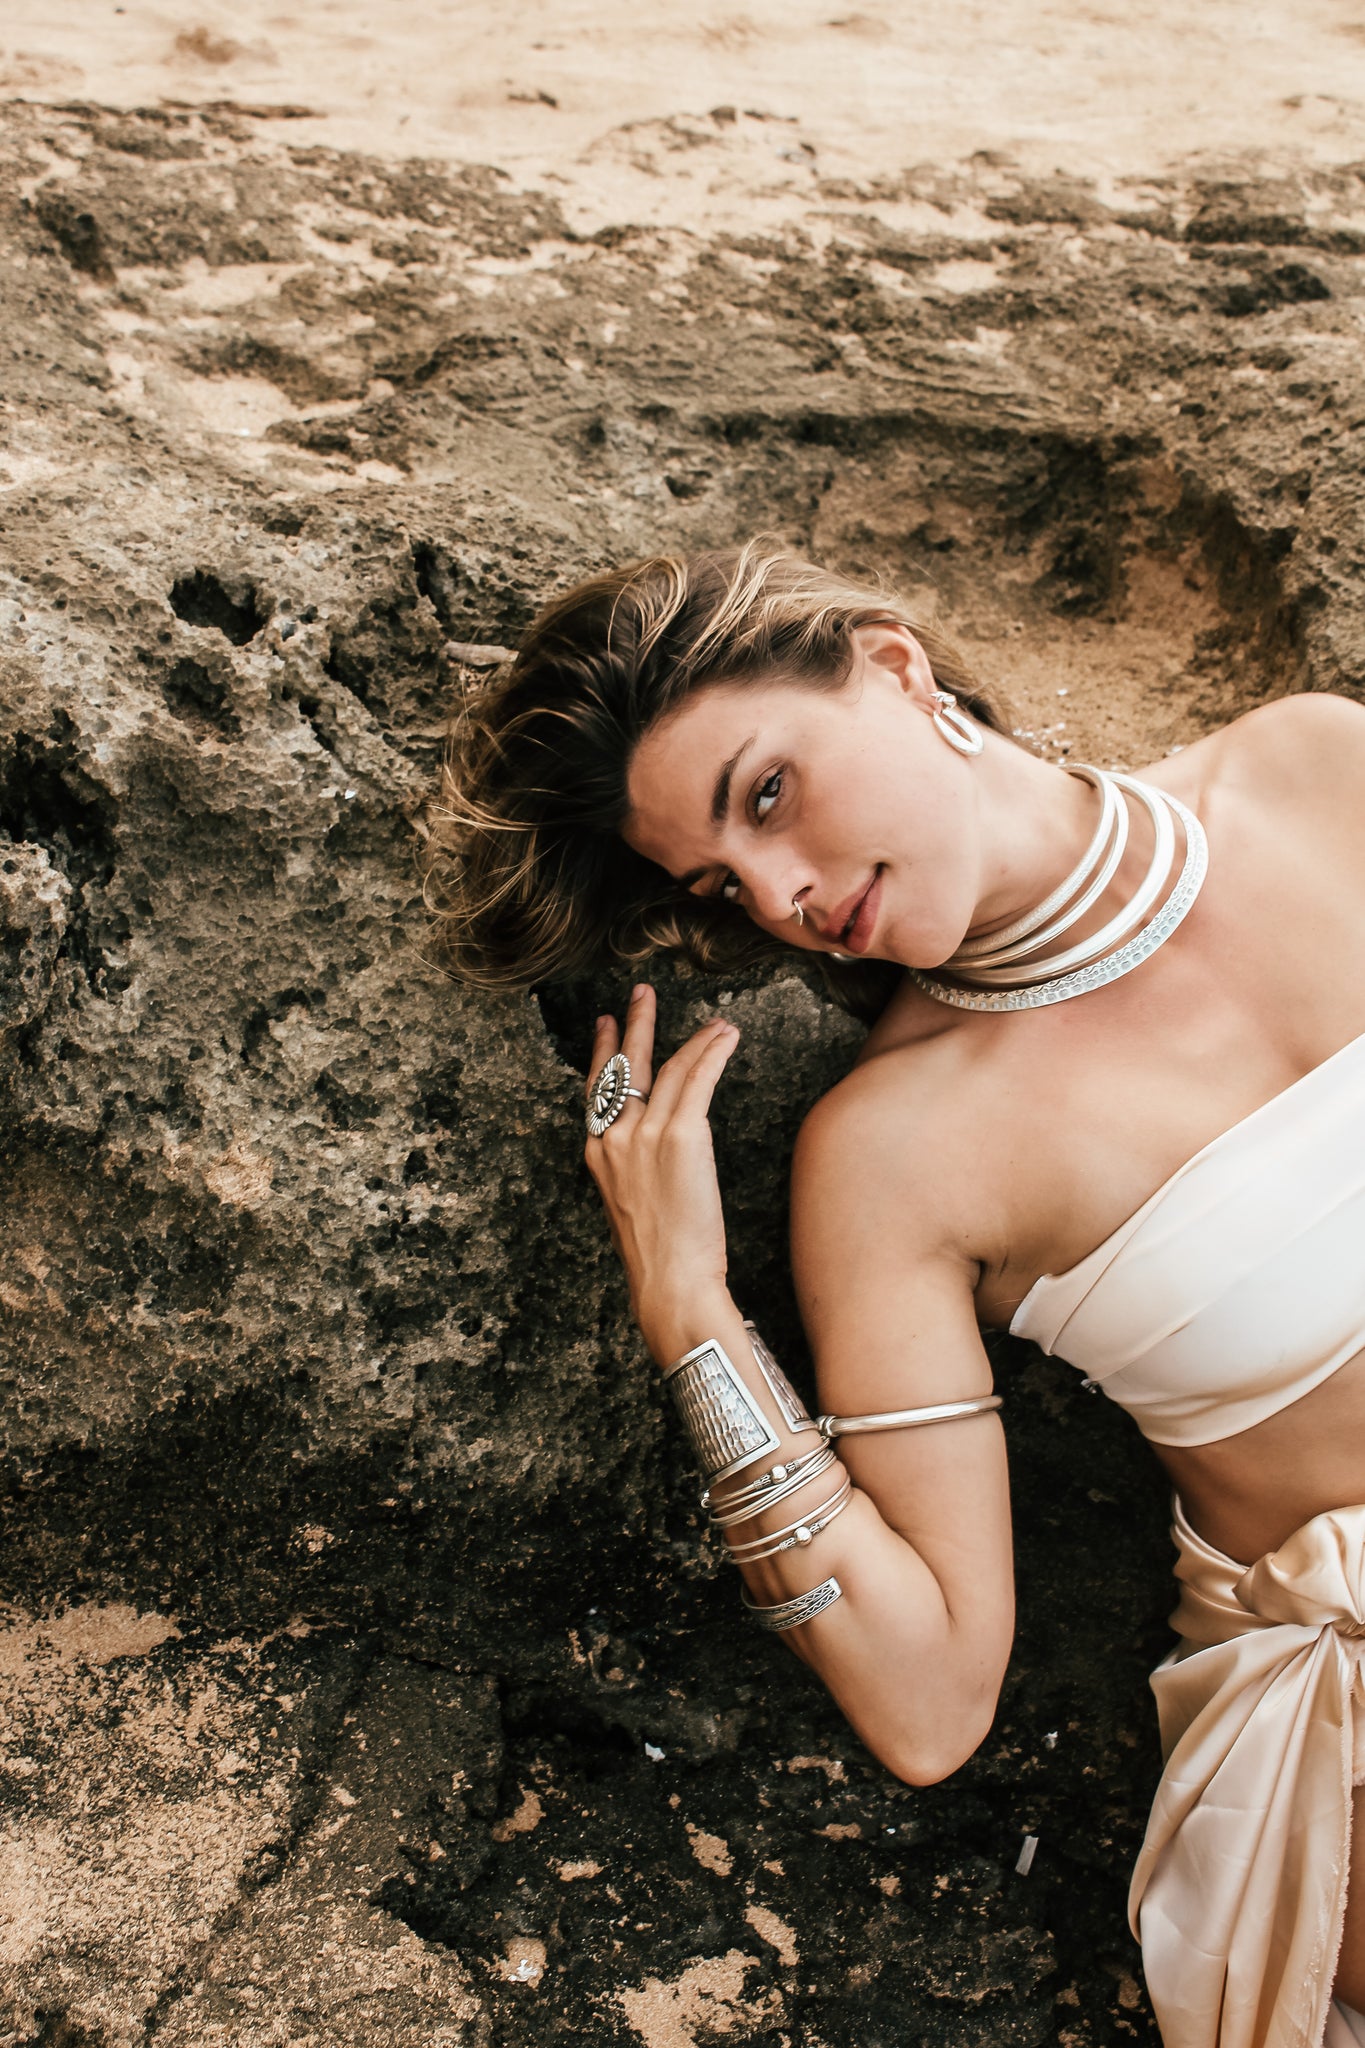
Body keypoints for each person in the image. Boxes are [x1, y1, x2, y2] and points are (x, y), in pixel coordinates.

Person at [425, 542, 1365, 2048]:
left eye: (766, 795)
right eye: (721, 882)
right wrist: (686, 1303)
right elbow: (927, 1704)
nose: (781, 894)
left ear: (893, 666)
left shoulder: (1319, 767)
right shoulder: (894, 1154)